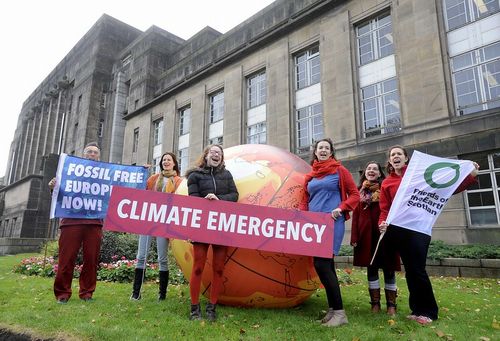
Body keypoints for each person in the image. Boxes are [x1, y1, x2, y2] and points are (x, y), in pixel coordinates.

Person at [378, 145, 479, 325]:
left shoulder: (418, 175)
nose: (395, 157)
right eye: (392, 155)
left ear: (406, 158)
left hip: (419, 229)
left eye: (399, 154)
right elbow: (385, 209)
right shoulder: (386, 183)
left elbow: (446, 187)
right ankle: (416, 309)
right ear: (389, 161)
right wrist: (382, 223)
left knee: (418, 270)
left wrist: (470, 176)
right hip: (397, 230)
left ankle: (429, 311)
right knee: (410, 271)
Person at [299, 138, 360, 327]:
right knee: (327, 266)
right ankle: (333, 310)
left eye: (327, 148)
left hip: (332, 223)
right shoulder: (310, 176)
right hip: (314, 226)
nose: (323, 150)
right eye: (320, 148)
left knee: (322, 265)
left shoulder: (339, 171)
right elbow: (304, 200)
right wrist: (302, 217)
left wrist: (341, 208)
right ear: (315, 152)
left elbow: (355, 195)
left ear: (331, 152)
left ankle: (340, 314)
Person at [186, 144, 238, 322]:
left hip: (221, 227)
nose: (216, 155)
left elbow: (234, 195)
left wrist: (219, 199)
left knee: (218, 268)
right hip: (201, 226)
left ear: (222, 158)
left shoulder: (227, 174)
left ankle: (212, 307)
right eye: (213, 152)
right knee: (198, 267)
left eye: (219, 153)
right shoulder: (194, 175)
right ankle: (194, 308)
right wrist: (205, 200)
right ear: (206, 155)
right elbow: (192, 199)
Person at [48, 142, 103, 303]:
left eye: (95, 152)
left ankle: (87, 293)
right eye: (89, 152)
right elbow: (59, 193)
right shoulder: (69, 171)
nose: (92, 154)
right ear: (83, 154)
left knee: (91, 260)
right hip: (71, 221)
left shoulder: (103, 175)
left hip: (94, 223)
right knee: (66, 259)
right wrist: (53, 187)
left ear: (98, 157)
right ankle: (62, 294)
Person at [130, 152, 182, 301]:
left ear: (174, 164)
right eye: (164, 160)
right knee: (141, 256)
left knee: (162, 258)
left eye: (169, 160)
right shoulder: (153, 179)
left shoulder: (179, 181)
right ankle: (136, 293)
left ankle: (162, 294)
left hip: (165, 222)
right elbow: (140, 190)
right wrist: (142, 172)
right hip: (148, 220)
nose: (166, 162)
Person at [350, 162, 400, 315]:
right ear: (365, 173)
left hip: (384, 234)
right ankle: (375, 303)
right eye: (369, 169)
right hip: (366, 237)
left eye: (375, 169)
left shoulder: (385, 189)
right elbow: (356, 216)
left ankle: (391, 305)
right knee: (371, 269)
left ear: (380, 174)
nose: (371, 171)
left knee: (389, 268)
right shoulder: (359, 192)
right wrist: (354, 236)